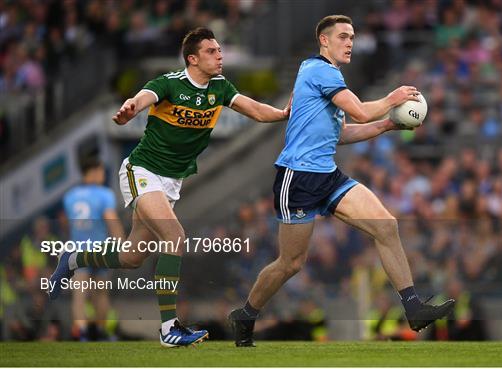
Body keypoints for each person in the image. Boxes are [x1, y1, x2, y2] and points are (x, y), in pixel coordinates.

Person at [49, 27, 290, 347]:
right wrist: (131, 107)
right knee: (174, 235)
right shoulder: (170, 83)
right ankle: (167, 329)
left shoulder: (220, 88)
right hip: (142, 171)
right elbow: (142, 97)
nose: (220, 56)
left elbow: (257, 110)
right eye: (211, 51)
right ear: (193, 58)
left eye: (220, 50)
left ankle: (75, 259)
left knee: (132, 257)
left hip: (170, 183)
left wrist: (284, 113)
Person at [229, 15, 455, 347]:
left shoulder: (330, 76)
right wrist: (393, 99)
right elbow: (362, 112)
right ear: (324, 41)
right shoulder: (318, 70)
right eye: (343, 37)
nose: (350, 42)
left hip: (327, 175)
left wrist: (387, 126)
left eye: (352, 37)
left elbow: (341, 134)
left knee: (386, 225)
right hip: (299, 177)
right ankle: (246, 315)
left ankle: (413, 307)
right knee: (291, 263)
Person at [63, 156, 125, 341]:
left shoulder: (70, 196)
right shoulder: (104, 194)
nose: (103, 175)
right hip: (100, 249)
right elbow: (111, 221)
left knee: (79, 294)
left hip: (78, 250)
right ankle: (100, 331)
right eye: (102, 171)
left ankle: (81, 333)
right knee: (101, 293)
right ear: (95, 171)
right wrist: (122, 246)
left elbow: (68, 224)